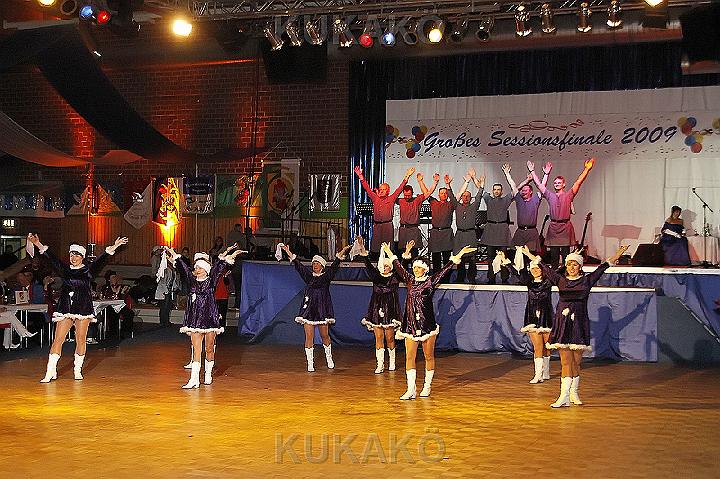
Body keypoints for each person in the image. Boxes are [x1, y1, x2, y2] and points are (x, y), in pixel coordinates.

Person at [523, 244, 629, 407]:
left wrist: (618, 253)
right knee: (565, 362)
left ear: (580, 266)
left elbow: (603, 267)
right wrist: (529, 254)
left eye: (575, 264)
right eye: (569, 264)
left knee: (576, 362)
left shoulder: (587, 280)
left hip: (579, 324)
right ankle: (563, 396)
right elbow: (543, 265)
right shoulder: (560, 280)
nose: (572, 267)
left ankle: (574, 392)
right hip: (562, 324)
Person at [27, 234, 128, 383]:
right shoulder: (64, 270)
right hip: (66, 307)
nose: (73, 258)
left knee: (81, 339)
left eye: (76, 255)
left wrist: (114, 246)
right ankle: (50, 371)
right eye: (71, 255)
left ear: (82, 257)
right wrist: (38, 243)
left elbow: (102, 259)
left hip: (83, 308)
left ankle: (77, 370)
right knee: (58, 339)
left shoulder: (88, 271)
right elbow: (51, 258)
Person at [383, 242, 477, 399]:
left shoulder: (430, 281)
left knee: (428, 356)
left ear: (425, 269)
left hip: (427, 325)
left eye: (418, 267)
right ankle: (411, 389)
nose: (415, 269)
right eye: (414, 267)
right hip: (410, 325)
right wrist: (388, 251)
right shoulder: (409, 280)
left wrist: (459, 254)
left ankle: (427, 386)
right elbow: (398, 266)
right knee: (409, 357)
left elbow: (445, 269)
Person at [167, 244, 244, 388]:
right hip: (195, 319)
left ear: (206, 270)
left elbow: (220, 266)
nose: (197, 270)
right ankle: (194, 379)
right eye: (196, 268)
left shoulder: (211, 280)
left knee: (209, 348)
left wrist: (231, 254)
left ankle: (208, 373)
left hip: (210, 318)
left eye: (200, 268)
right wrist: (174, 254)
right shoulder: (191, 281)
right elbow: (183, 267)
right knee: (197, 349)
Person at [279, 242, 351, 372]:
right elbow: (298, 265)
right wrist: (288, 252)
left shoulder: (326, 277)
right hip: (309, 310)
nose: (315, 265)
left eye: (317, 263)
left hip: (322, 310)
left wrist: (343, 251)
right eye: (313, 263)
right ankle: (310, 363)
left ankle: (329, 358)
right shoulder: (308, 277)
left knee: (325, 336)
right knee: (309, 337)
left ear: (322, 266)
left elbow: (335, 264)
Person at [529, 159, 595, 268]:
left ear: (564, 184)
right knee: (554, 256)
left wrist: (587, 169)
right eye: (555, 183)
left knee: (566, 256)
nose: (557, 184)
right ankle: (554, 275)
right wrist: (533, 171)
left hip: (565, 227)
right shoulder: (550, 195)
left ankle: (565, 275)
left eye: (559, 183)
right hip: (554, 227)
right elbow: (539, 185)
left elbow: (578, 182)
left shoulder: (569, 195)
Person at [356, 237, 401, 374]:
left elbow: (401, 266)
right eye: (384, 266)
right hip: (376, 310)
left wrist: (403, 254)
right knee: (378, 338)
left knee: (390, 338)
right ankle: (380, 364)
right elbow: (367, 264)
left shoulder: (394, 278)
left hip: (390, 312)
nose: (386, 268)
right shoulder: (376, 276)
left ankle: (392, 362)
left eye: (388, 266)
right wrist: (362, 248)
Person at [513, 246, 554, 384]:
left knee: (547, 346)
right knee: (538, 347)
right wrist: (506, 261)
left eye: (537, 268)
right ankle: (538, 374)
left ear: (542, 270)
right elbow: (516, 274)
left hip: (546, 317)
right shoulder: (529, 283)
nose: (535, 271)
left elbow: (552, 272)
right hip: (532, 317)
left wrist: (530, 254)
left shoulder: (548, 282)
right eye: (532, 269)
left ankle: (546, 372)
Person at [354, 165, 415, 257]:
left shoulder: (391, 198)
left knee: (388, 249)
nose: (381, 191)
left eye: (384, 189)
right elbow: (367, 188)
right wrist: (360, 176)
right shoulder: (375, 198)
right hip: (377, 227)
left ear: (388, 191)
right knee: (376, 249)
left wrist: (407, 176)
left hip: (387, 227)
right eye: (381, 189)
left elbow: (400, 188)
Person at [504, 163, 550, 253]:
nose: (523, 192)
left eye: (526, 190)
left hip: (531, 232)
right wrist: (507, 174)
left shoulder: (535, 199)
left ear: (531, 192)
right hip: (520, 231)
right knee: (518, 256)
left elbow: (542, 186)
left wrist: (546, 174)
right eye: (522, 190)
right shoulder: (519, 199)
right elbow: (513, 186)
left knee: (531, 255)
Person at [480, 167, 514, 284]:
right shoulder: (488, 199)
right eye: (495, 189)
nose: (496, 191)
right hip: (491, 231)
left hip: (502, 232)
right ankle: (491, 278)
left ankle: (504, 278)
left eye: (499, 189)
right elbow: (480, 189)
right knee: (490, 258)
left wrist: (507, 174)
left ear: (501, 191)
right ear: (492, 191)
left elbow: (515, 190)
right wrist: (475, 179)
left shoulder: (506, 200)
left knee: (503, 257)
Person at [454, 168, 485, 284]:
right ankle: (460, 278)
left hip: (471, 234)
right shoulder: (457, 206)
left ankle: (472, 278)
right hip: (460, 235)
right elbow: (453, 195)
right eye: (464, 195)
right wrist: (466, 182)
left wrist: (481, 184)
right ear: (461, 197)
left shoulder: (474, 206)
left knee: (472, 258)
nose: (465, 197)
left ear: (470, 198)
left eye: (468, 196)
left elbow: (479, 196)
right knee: (460, 258)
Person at [397, 172, 438, 256]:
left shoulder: (417, 200)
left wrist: (422, 182)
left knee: (414, 253)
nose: (407, 197)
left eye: (409, 195)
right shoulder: (401, 201)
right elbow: (395, 193)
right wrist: (406, 177)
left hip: (414, 230)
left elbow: (428, 193)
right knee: (403, 253)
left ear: (412, 193)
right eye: (405, 195)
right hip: (403, 230)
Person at [428, 174, 457, 282]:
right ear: (438, 195)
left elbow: (453, 198)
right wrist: (435, 182)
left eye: (445, 193)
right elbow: (426, 193)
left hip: (446, 233)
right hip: (435, 233)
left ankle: (446, 279)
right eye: (442, 193)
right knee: (435, 258)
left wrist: (448, 185)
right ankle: (436, 279)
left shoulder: (451, 204)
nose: (444, 194)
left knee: (446, 258)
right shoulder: (434, 202)